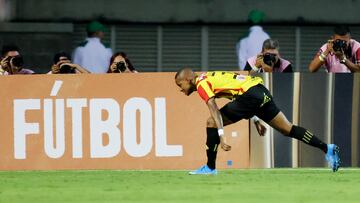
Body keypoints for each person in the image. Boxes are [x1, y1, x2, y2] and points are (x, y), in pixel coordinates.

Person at [174, 68, 340, 175]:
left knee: (211, 122)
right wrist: (255, 118)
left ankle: (210, 168)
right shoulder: (208, 77)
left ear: (188, 79)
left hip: (250, 96)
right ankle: (327, 148)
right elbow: (238, 95)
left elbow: (214, 108)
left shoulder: (201, 84)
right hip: (260, 91)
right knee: (287, 129)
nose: (180, 89)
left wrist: (222, 136)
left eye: (180, 84)